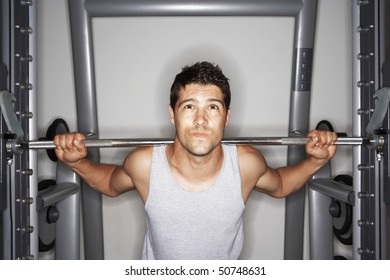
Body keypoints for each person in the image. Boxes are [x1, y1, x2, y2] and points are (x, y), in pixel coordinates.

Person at [54, 61, 337, 260]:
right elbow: (110, 184)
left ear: (226, 117)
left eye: (212, 107)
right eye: (189, 106)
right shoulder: (145, 164)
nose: (201, 120)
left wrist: (315, 162)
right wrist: (77, 162)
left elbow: (281, 185)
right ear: (172, 114)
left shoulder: (246, 163)